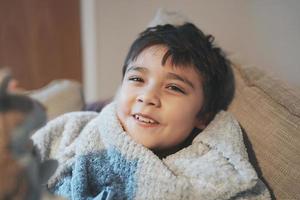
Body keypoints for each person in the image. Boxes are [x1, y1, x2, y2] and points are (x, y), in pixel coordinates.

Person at [32, 23, 270, 199]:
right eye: (137, 78)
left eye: (174, 87)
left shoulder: (210, 174)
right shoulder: (74, 130)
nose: (148, 97)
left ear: (202, 116)